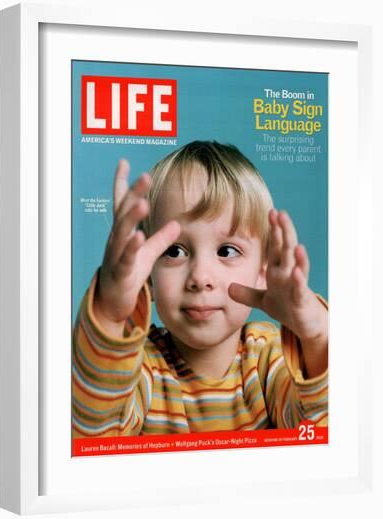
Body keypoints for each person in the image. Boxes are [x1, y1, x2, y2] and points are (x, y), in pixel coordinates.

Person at [72, 141, 328, 438]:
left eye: (227, 251)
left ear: (263, 271)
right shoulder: (141, 370)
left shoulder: (268, 360)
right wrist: (110, 312)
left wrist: (317, 335)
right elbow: (96, 435)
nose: (200, 277)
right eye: (175, 251)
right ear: (149, 277)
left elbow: (316, 431)